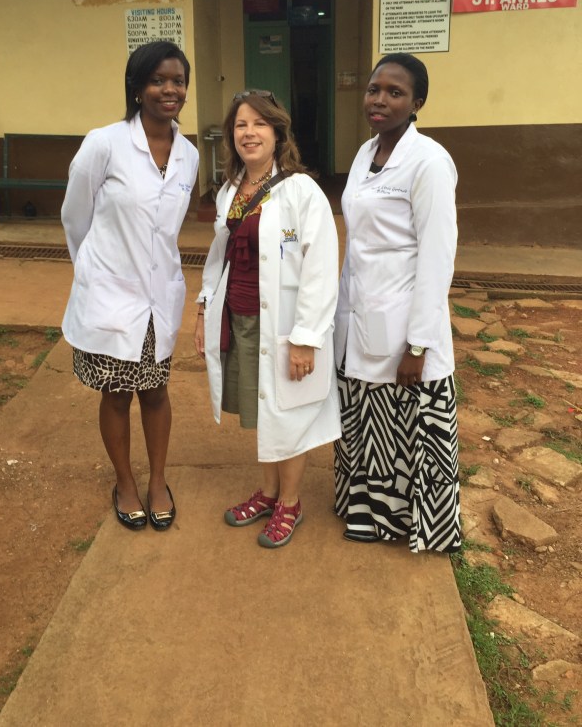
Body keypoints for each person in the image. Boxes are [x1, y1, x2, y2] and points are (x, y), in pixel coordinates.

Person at [61, 41, 199, 532]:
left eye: (178, 81)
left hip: (159, 295)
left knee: (157, 390)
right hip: (109, 295)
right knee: (117, 394)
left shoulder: (189, 155)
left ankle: (158, 480)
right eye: (159, 80)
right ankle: (125, 481)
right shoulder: (105, 143)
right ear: (137, 87)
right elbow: (75, 216)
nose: (170, 90)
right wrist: (92, 273)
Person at [194, 90, 340, 548]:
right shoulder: (228, 192)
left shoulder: (301, 191)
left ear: (278, 133)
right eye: (240, 125)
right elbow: (218, 259)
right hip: (239, 318)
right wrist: (203, 311)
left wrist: (306, 338)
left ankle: (290, 503)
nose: (249, 133)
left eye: (259, 124)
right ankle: (269, 492)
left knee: (289, 411)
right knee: (263, 409)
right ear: (231, 136)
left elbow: (320, 267)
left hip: (284, 325)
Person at [334, 53, 460, 553]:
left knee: (408, 427)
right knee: (369, 421)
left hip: (406, 316)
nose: (379, 100)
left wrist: (419, 342)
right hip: (361, 310)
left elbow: (438, 254)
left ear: (417, 103)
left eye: (394, 92)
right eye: (373, 89)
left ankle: (411, 524)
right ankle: (367, 513)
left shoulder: (429, 161)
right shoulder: (366, 152)